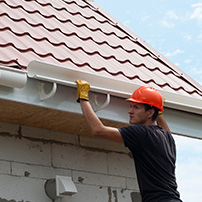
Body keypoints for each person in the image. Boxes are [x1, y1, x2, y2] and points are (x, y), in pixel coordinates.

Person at [75, 80, 182, 202]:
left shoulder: (141, 133)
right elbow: (159, 120)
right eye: (131, 106)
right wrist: (157, 108)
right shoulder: (168, 137)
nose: (130, 111)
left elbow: (98, 131)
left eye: (136, 107)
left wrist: (83, 98)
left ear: (150, 112)